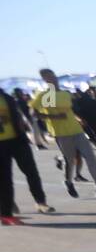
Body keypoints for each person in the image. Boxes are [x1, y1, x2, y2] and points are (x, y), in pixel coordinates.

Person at [29, 70, 96, 200]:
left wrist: (78, 119)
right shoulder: (43, 96)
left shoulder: (65, 94)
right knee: (70, 161)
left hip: (77, 130)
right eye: (48, 78)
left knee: (91, 159)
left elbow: (69, 111)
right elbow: (33, 114)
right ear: (44, 80)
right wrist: (53, 116)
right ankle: (68, 181)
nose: (53, 79)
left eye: (53, 76)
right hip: (61, 133)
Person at [0, 88, 55, 224]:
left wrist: (26, 130)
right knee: (5, 179)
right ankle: (6, 213)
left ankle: (41, 202)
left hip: (18, 140)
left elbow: (18, 116)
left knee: (32, 172)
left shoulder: (6, 97)